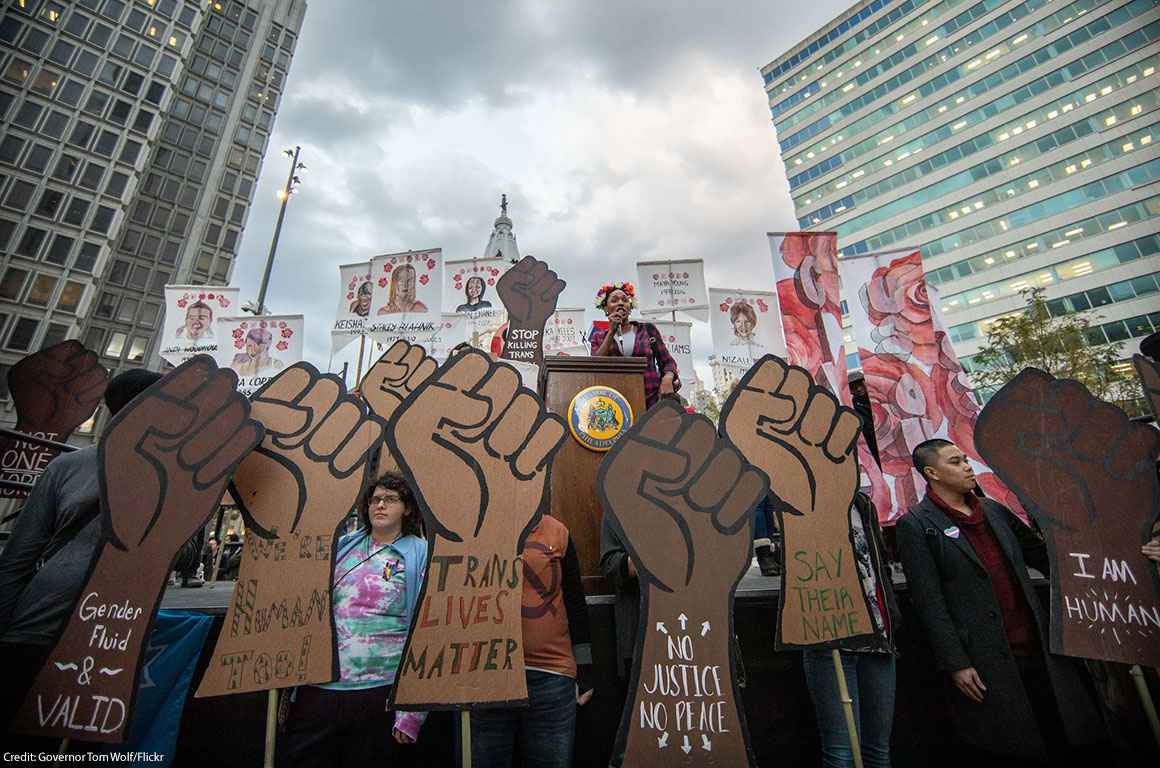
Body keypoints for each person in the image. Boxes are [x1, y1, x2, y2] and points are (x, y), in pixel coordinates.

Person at [896, 439, 1105, 766]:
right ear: (932, 473)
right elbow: (929, 602)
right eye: (955, 461)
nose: (967, 466)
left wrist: (1101, 571)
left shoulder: (993, 511)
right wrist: (956, 662)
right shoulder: (917, 525)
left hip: (1039, 648)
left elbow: (1046, 558)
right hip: (986, 659)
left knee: (1064, 732)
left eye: (965, 459)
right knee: (1014, 743)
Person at [0, 368, 162, 732]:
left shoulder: (169, 477)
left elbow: (182, 557)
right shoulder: (67, 467)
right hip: (37, 629)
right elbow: (17, 557)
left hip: (114, 633)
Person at [278, 472, 428, 767]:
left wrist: (413, 712)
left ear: (407, 508)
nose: (380, 506)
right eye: (374, 500)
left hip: (380, 692)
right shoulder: (341, 547)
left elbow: (427, 630)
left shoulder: (420, 553)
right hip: (320, 687)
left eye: (390, 499)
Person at [470, 514, 593, 767]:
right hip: (490, 675)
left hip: (551, 675)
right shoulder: (476, 528)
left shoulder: (557, 531)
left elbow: (575, 600)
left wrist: (586, 669)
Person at [801, 491, 899, 768]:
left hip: (878, 638)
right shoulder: (802, 504)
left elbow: (879, 566)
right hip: (832, 642)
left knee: (878, 751)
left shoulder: (862, 504)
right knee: (841, 752)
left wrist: (891, 614)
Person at [590, 282, 680, 408]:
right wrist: (611, 332)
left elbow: (668, 362)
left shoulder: (648, 330)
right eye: (614, 300)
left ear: (630, 307)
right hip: (616, 405)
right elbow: (595, 367)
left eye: (625, 300)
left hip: (652, 402)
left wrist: (667, 378)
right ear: (605, 308)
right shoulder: (598, 337)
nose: (621, 303)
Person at [848, 372, 880, 467]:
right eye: (853, 387)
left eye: (860, 384)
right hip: (873, 444)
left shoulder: (876, 397)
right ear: (850, 391)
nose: (858, 388)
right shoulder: (854, 406)